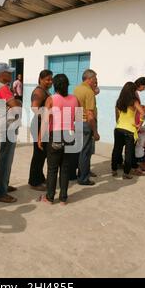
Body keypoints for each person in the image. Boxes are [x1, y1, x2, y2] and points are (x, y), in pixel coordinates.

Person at [38, 74, 79, 205]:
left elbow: (45, 121)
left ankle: (50, 197)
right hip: (69, 134)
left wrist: (40, 138)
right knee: (65, 168)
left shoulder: (51, 99)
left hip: (55, 135)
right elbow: (77, 119)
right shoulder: (75, 99)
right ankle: (63, 198)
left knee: (52, 168)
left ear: (55, 85)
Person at [0, 63, 21, 203]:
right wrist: (17, 103)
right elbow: (15, 106)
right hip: (7, 126)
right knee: (5, 160)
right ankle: (0, 192)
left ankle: (3, 185)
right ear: (2, 74)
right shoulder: (2, 88)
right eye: (8, 72)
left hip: (3, 123)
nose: (11, 74)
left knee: (6, 158)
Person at [111, 82, 145, 179]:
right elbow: (142, 113)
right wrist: (140, 124)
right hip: (130, 130)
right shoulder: (134, 101)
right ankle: (126, 173)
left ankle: (114, 170)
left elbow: (117, 117)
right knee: (129, 153)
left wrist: (120, 123)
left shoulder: (119, 101)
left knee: (116, 150)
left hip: (118, 128)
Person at [73, 69, 100, 186]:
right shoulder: (88, 92)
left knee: (81, 150)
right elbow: (90, 114)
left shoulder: (77, 89)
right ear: (89, 79)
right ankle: (83, 178)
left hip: (78, 121)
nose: (96, 81)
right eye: (94, 79)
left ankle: (84, 171)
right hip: (86, 123)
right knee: (85, 151)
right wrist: (95, 131)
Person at [28, 69, 53, 191]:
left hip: (42, 124)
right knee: (38, 154)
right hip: (38, 125)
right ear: (41, 79)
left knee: (42, 154)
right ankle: (34, 181)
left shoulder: (44, 91)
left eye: (51, 79)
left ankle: (39, 177)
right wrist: (45, 116)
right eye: (47, 79)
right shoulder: (39, 92)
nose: (50, 82)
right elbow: (34, 108)